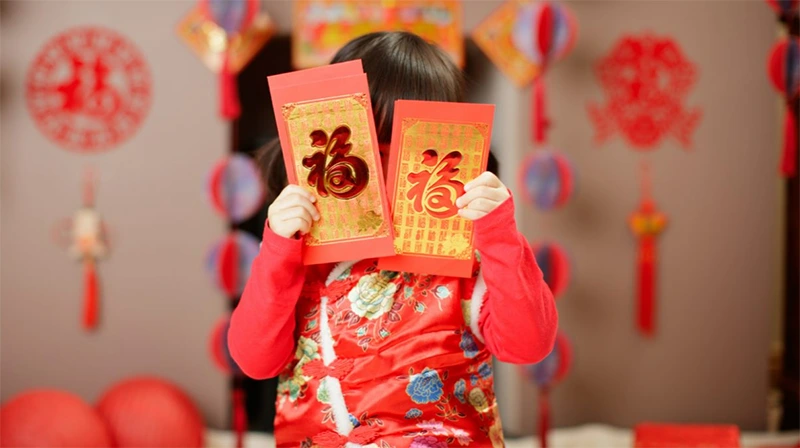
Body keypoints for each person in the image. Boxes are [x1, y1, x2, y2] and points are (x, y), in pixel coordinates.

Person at [230, 31, 557, 448]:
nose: (385, 177)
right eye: (372, 153)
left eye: (411, 149)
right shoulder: (300, 249)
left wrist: (499, 234)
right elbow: (254, 360)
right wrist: (278, 247)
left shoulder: (471, 250)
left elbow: (528, 345)